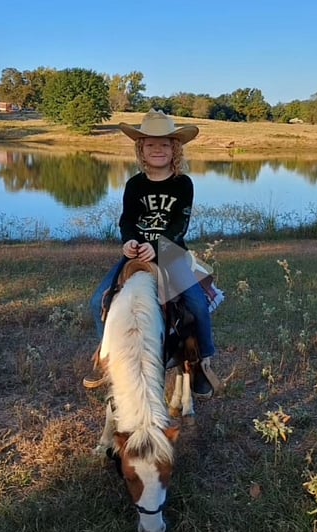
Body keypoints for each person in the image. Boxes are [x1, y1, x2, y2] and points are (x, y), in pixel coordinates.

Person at [82, 109, 220, 398]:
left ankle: (202, 360)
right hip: (137, 256)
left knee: (196, 302)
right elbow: (127, 219)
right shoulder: (134, 184)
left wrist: (156, 246)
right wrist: (129, 241)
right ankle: (106, 359)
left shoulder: (183, 184)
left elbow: (180, 222)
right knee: (99, 300)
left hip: (171, 253)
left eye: (165, 144)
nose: (158, 149)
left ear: (175, 149)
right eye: (150, 144)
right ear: (141, 149)